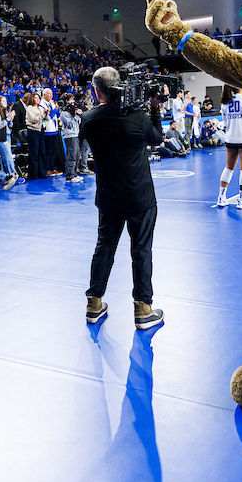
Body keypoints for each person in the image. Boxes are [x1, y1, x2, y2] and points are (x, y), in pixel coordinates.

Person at [80, 67, 164, 330]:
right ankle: (143, 308)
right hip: (139, 196)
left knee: (104, 247)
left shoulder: (87, 119)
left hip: (108, 196)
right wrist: (155, 109)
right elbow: (156, 139)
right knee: (141, 251)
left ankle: (94, 303)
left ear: (96, 91)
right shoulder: (137, 117)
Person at [215, 86, 242, 208]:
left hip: (231, 139)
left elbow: (225, 123)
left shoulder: (225, 102)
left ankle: (221, 197)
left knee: (228, 168)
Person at [60, 95, 84, 182]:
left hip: (75, 135)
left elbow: (78, 122)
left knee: (77, 155)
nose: (73, 102)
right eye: (71, 100)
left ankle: (74, 174)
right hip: (69, 136)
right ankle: (69, 176)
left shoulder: (72, 112)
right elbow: (70, 125)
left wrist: (77, 115)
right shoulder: (64, 113)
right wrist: (76, 115)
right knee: (72, 156)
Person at [24, 92, 46, 180]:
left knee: (42, 152)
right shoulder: (30, 108)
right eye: (36, 98)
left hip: (41, 130)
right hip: (33, 131)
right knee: (34, 152)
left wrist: (46, 113)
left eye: (38, 98)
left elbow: (46, 118)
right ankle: (33, 174)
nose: (37, 100)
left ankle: (42, 172)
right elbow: (34, 119)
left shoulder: (40, 108)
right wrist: (43, 114)